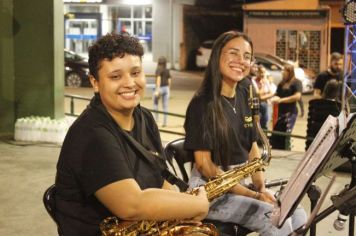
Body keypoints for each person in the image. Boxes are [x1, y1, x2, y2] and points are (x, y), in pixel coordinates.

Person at [54, 33, 209, 236]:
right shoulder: (92, 134)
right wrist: (198, 205)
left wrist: (182, 204)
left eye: (135, 73)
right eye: (115, 77)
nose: (129, 83)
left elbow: (158, 177)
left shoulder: (144, 117)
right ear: (95, 82)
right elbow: (132, 206)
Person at [184, 30, 306, 236]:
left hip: (239, 185)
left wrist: (261, 187)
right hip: (211, 191)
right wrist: (254, 196)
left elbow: (252, 147)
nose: (241, 61)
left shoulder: (245, 90)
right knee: (275, 220)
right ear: (217, 56)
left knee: (297, 213)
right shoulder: (202, 103)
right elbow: (204, 165)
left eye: (247, 56)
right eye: (233, 53)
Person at [270, 64, 303, 150]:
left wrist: (281, 100)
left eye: (284, 70)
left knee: (286, 134)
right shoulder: (282, 83)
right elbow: (276, 94)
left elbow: (297, 96)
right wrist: (266, 97)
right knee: (276, 134)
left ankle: (286, 150)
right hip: (280, 112)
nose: (282, 72)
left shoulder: (297, 82)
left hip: (290, 112)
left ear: (289, 72)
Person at [252, 65, 276, 129]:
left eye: (264, 72)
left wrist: (263, 95)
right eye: (261, 72)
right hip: (257, 106)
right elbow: (258, 94)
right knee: (257, 124)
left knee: (265, 123)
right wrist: (263, 86)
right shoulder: (253, 81)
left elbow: (272, 93)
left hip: (266, 105)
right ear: (257, 72)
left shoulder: (266, 81)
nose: (263, 74)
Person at [153, 56, 171, 127]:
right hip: (166, 88)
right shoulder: (167, 70)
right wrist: (169, 89)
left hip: (160, 88)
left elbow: (158, 79)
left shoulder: (158, 69)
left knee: (155, 104)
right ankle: (165, 122)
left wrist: (157, 89)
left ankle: (155, 121)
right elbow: (169, 80)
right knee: (165, 106)